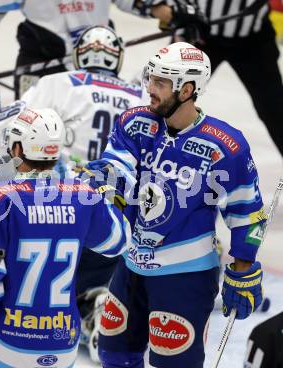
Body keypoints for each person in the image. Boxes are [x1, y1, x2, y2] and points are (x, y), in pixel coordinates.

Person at [82, 41, 266, 367]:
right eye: (150, 79)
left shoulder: (224, 145)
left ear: (188, 90)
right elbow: (117, 167)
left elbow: (246, 211)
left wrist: (244, 267)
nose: (150, 89)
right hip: (130, 266)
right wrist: (103, 182)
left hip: (185, 276)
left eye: (161, 83)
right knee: (113, 355)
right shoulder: (135, 123)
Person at [0, 107, 133, 368]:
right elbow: (118, 242)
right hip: (62, 346)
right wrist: (105, 194)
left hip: (7, 345)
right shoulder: (85, 196)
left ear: (18, 149)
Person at [0, 0, 208, 97]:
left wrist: (174, 15)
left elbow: (139, 2)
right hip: (43, 62)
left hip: (99, 61)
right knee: (28, 139)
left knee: (98, 144)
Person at [156, 0, 283, 156]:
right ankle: (151, 153)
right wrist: (176, 15)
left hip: (253, 36)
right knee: (170, 97)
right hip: (200, 32)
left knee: (274, 108)